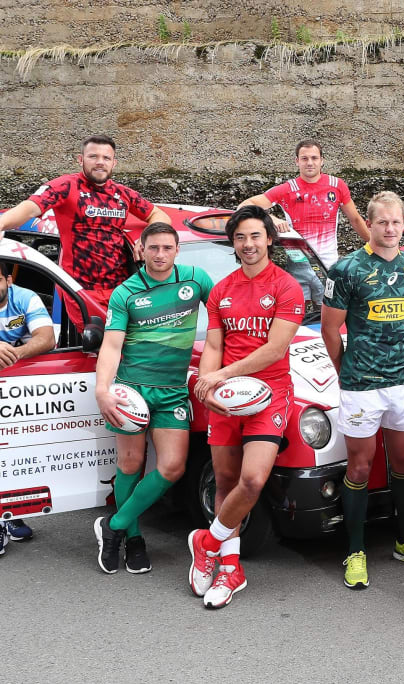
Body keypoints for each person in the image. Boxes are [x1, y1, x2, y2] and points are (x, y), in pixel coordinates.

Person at [187, 206, 304, 609]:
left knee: (252, 480)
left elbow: (274, 349)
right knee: (223, 480)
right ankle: (229, 567)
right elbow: (214, 347)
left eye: (255, 236)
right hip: (226, 397)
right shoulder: (221, 290)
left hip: (269, 392)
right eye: (240, 238)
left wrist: (222, 374)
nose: (248, 244)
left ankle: (206, 541)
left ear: (269, 239)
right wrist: (208, 380)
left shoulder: (288, 287)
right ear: (232, 243)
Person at [321, 190, 404, 590]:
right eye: (382, 222)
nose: (390, 228)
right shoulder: (346, 269)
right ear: (369, 224)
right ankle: (355, 550)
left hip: (402, 382)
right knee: (360, 467)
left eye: (396, 221)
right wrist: (345, 370)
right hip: (360, 387)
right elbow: (330, 329)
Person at [92, 222, 213, 575]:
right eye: (154, 248)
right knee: (130, 464)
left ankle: (112, 525)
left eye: (167, 248)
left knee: (173, 467)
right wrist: (103, 390)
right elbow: (111, 346)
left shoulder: (196, 279)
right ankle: (133, 538)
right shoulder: (125, 293)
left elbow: (226, 311)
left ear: (177, 251)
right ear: (141, 250)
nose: (160, 255)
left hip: (173, 390)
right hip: (132, 390)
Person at [0, 135, 171, 325]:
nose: (100, 162)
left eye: (106, 158)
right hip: (81, 290)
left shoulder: (123, 193)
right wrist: (1, 224)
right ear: (80, 159)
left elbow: (160, 216)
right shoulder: (64, 186)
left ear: (114, 163)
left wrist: (148, 238)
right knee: (99, 348)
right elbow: (30, 207)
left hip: (122, 289)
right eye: (93, 157)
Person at [239, 138, 370, 268]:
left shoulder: (336, 185)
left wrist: (375, 246)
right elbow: (244, 205)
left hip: (329, 266)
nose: (310, 163)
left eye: (314, 158)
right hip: (299, 265)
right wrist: (271, 219)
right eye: (304, 158)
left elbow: (356, 220)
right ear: (297, 161)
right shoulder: (288, 189)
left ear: (321, 161)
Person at [0, 259, 57, 543]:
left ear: (8, 281)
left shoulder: (24, 297)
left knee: (12, 453)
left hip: (15, 386)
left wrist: (13, 353)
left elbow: (46, 338)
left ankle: (9, 514)